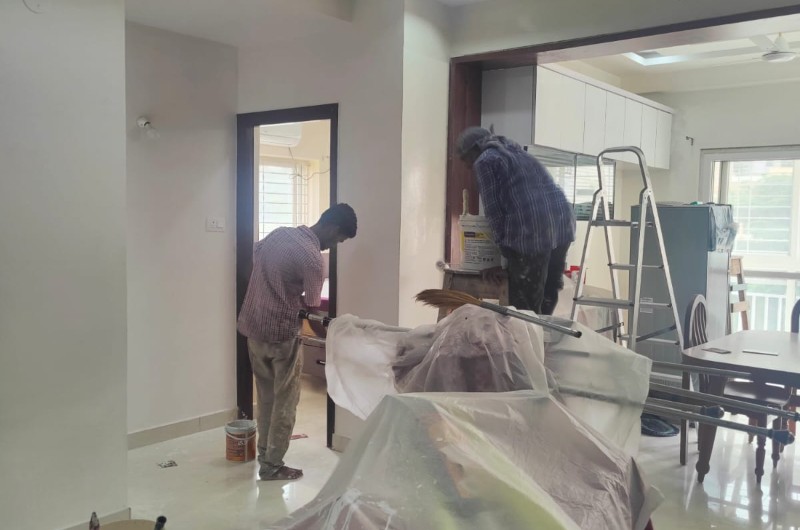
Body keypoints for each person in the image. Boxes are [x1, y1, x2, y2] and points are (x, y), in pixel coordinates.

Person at [238, 203, 357, 481]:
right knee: (286, 401)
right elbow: (313, 308)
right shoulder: (313, 259)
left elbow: (255, 259)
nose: (332, 247)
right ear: (332, 228)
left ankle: (266, 454)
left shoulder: (278, 234)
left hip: (253, 328)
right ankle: (273, 465)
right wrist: (334, 337)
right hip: (282, 335)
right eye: (337, 240)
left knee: (265, 397)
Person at [456, 127, 575, 315]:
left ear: (474, 149)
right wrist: (511, 265)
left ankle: (529, 333)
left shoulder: (485, 160)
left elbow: (494, 212)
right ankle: (543, 332)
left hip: (533, 229)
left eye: (465, 160)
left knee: (524, 306)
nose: (468, 166)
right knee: (547, 295)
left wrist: (507, 260)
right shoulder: (517, 152)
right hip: (563, 225)